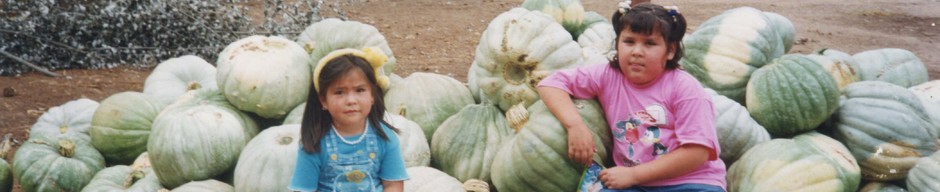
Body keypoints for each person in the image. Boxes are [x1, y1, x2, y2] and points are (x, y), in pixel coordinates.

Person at [536, 1, 727, 192]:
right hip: (634, 184)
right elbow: (550, 84)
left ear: (670, 51)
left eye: (650, 43)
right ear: (617, 43)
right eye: (629, 41)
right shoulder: (608, 75)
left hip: (690, 182)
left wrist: (633, 175)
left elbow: (697, 153)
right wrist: (575, 125)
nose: (636, 52)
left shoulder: (685, 89)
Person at [289, 47, 408, 192]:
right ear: (323, 101)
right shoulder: (314, 144)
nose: (351, 100)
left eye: (360, 90)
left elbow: (393, 185)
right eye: (339, 92)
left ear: (372, 95)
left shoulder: (386, 138)